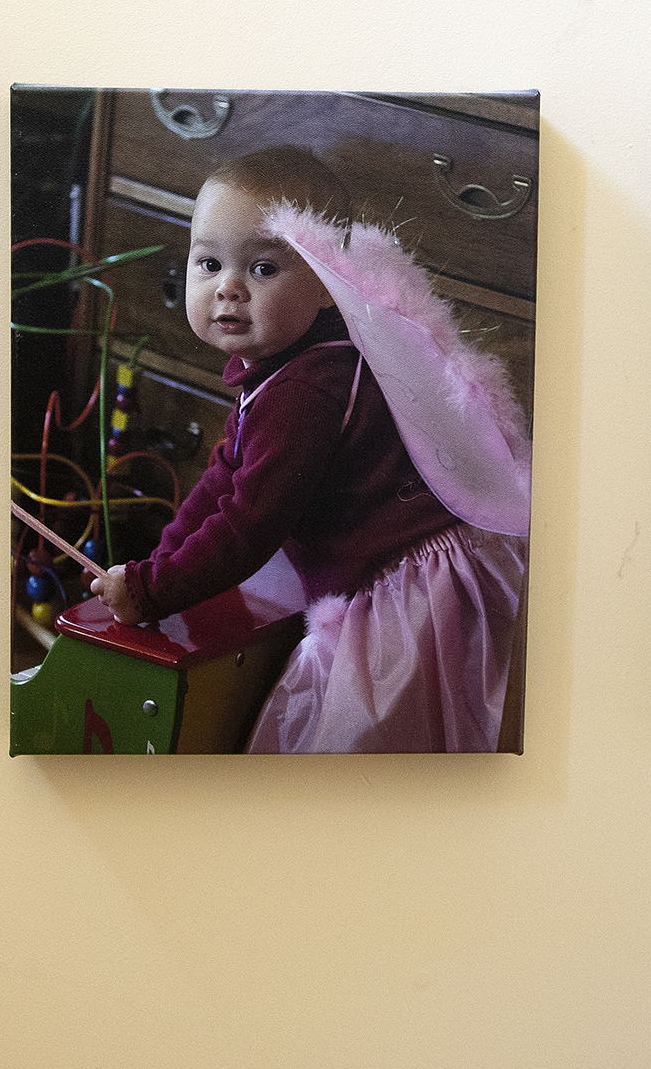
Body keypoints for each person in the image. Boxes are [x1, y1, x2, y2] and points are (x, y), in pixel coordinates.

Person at [88, 146, 531, 753]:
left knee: (357, 744)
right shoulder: (284, 364)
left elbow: (251, 521)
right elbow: (226, 476)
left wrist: (154, 589)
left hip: (400, 585)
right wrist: (157, 567)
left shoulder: (304, 390)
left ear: (325, 284)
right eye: (209, 263)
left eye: (264, 269)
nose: (230, 289)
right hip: (372, 563)